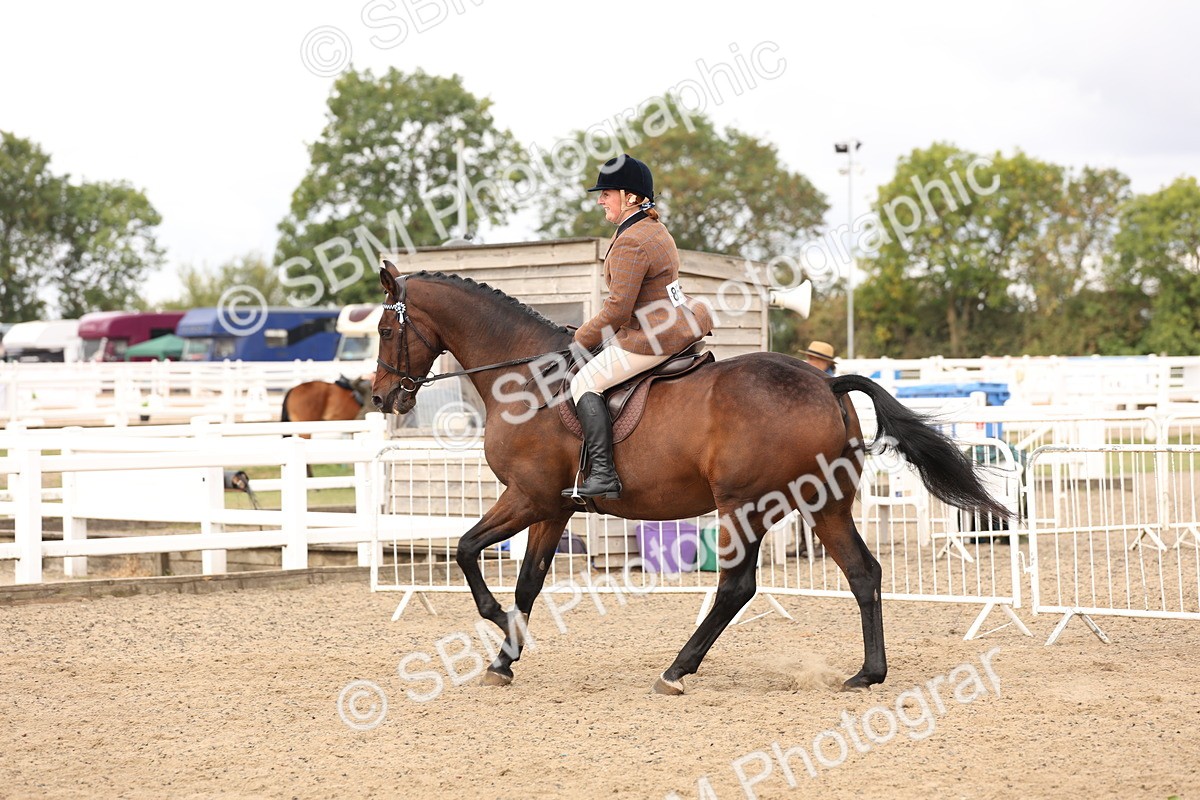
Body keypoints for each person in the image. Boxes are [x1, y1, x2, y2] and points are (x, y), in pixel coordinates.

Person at [563, 154, 713, 499]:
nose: (600, 200)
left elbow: (617, 311)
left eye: (606, 193)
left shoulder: (632, 241)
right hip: (677, 321)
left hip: (653, 335)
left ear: (630, 197)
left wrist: (580, 339)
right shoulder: (652, 227)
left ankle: (603, 474)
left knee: (585, 380)